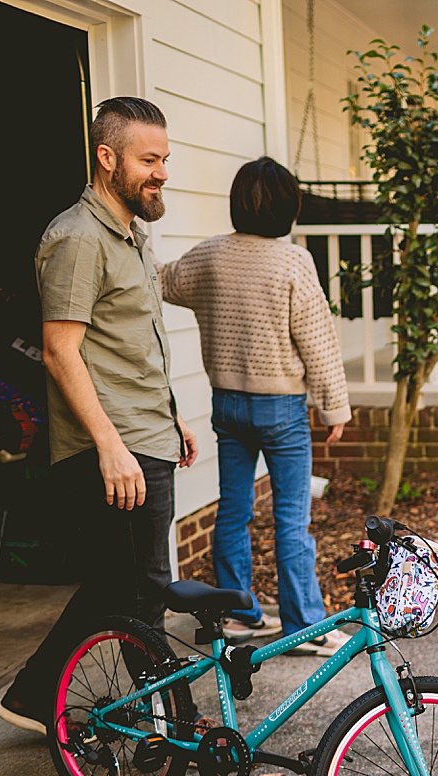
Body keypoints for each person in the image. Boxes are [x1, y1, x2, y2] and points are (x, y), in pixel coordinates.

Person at [0, 97, 197, 734]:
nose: (161, 171)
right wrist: (111, 445)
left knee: (123, 587)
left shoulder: (132, 234)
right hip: (116, 445)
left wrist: (172, 417)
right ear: (107, 159)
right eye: (148, 160)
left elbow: (127, 345)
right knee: (141, 590)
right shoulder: (78, 238)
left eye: (164, 159)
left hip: (147, 432)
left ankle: (34, 698)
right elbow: (61, 351)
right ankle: (156, 719)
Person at [159, 157, 350, 654]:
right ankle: (305, 624)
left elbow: (162, 281)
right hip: (281, 408)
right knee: (290, 519)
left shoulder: (211, 257)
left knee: (234, 510)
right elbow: (318, 342)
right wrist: (335, 408)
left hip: (227, 405)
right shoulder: (293, 262)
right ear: (290, 209)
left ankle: (238, 616)